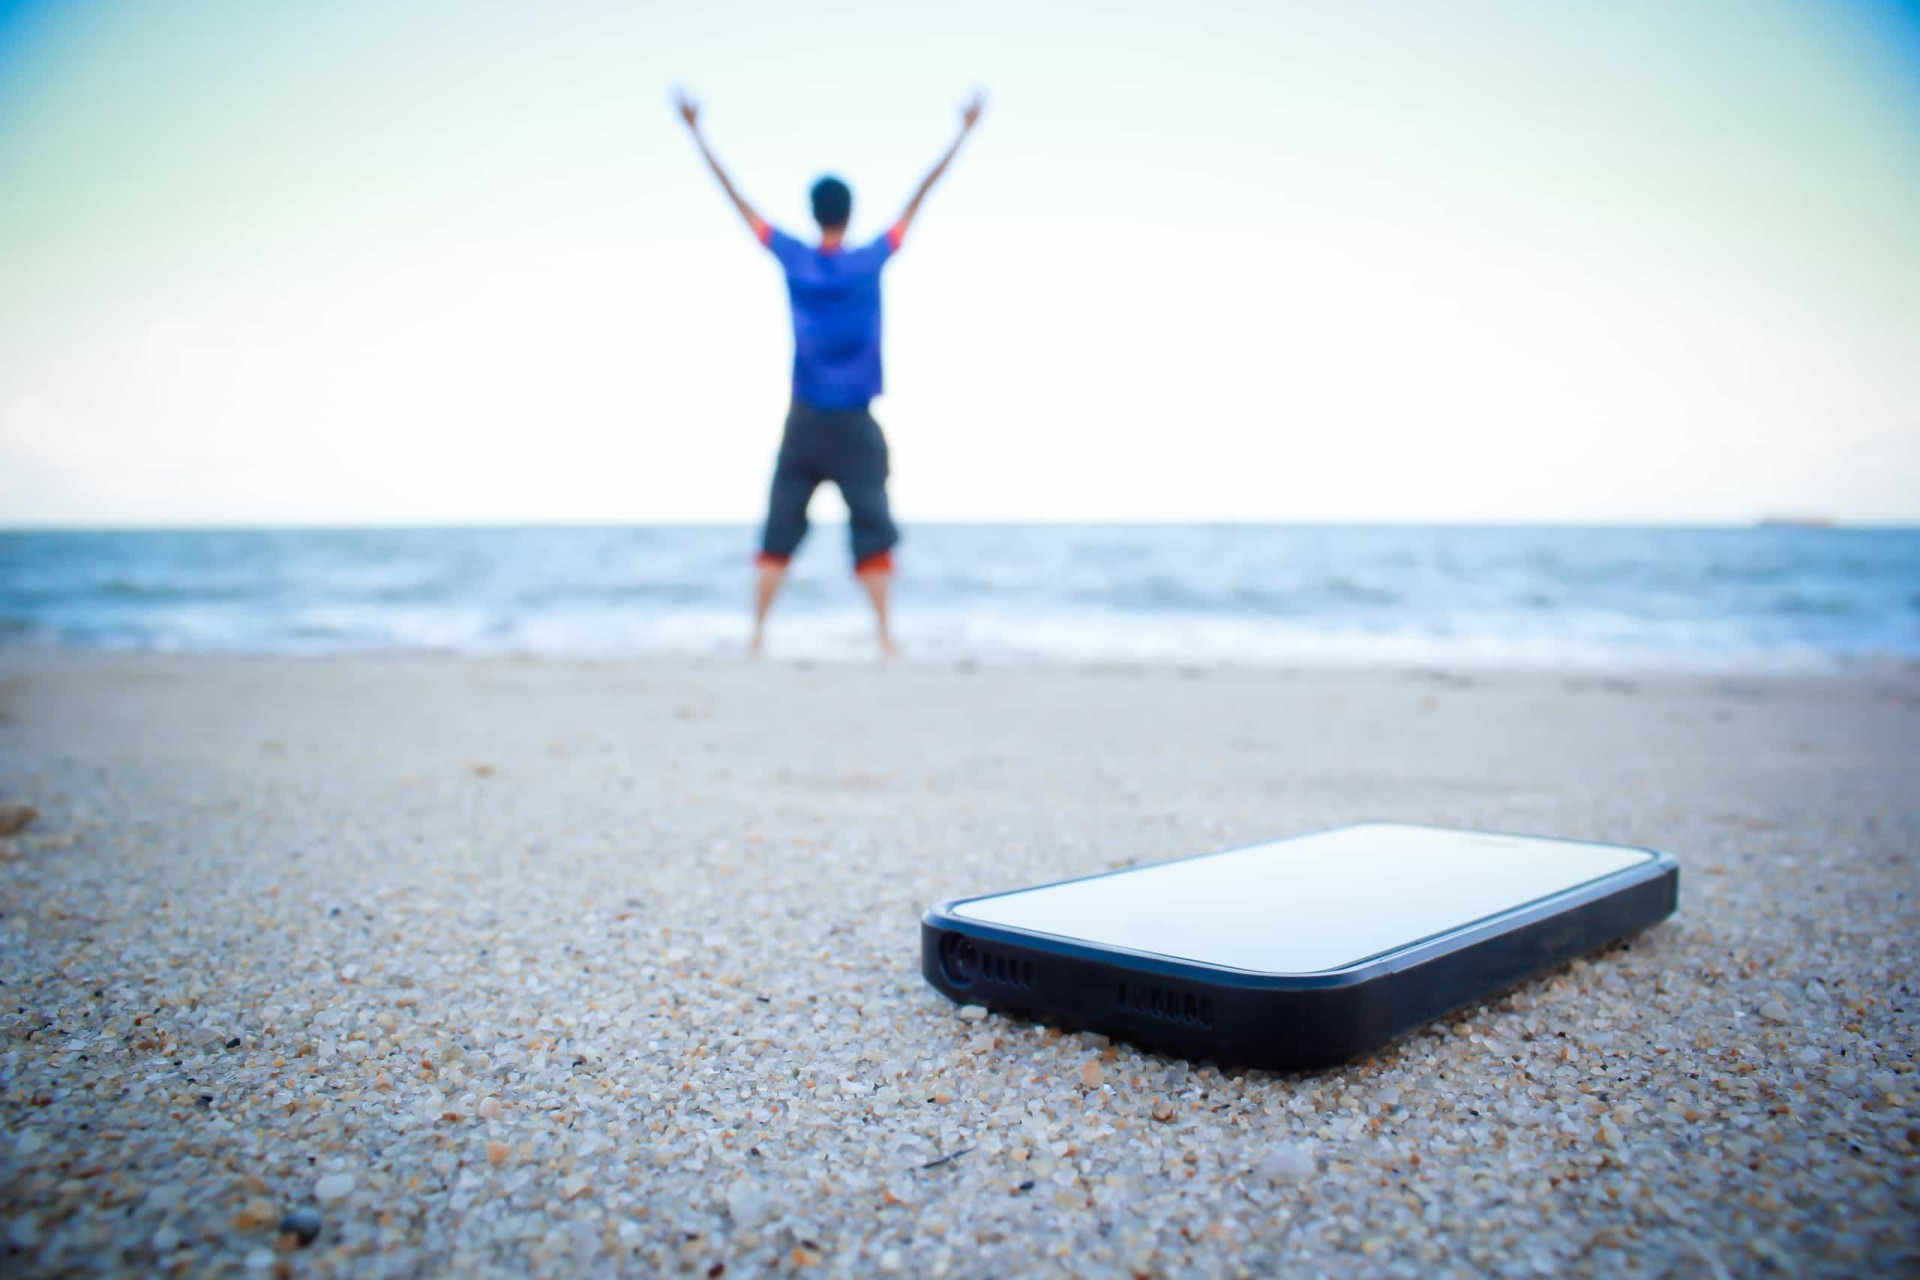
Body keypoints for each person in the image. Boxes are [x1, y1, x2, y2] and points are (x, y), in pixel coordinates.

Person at [675, 87, 984, 657]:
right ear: (849, 212)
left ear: (815, 213)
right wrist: (962, 133)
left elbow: (736, 199)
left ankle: (757, 635)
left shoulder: (795, 257)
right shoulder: (871, 259)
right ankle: (886, 637)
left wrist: (697, 132)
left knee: (780, 530)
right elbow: (921, 195)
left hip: (805, 418)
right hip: (856, 421)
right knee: (871, 529)